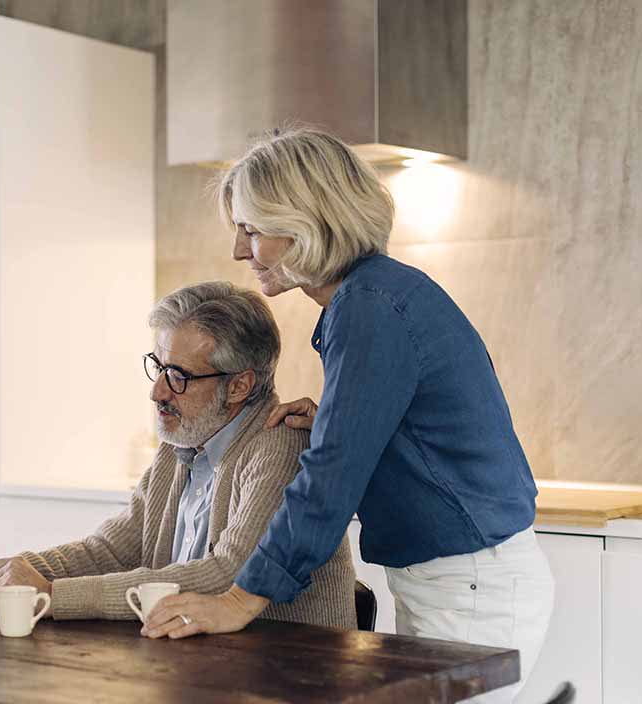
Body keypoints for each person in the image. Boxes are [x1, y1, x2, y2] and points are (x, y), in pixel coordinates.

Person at [141, 128, 555, 703]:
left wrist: (240, 599)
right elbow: (396, 429)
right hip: (459, 582)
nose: (240, 251)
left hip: (470, 588)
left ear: (304, 223)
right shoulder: (372, 298)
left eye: (252, 230)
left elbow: (330, 481)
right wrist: (336, 417)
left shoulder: (368, 309)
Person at [0, 281, 355, 628]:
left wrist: (52, 595)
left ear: (240, 386)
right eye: (158, 366)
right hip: (206, 669)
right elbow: (110, 550)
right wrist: (7, 572)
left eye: (178, 376)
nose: (157, 391)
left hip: (290, 678)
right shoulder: (181, 445)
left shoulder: (279, 443)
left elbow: (227, 574)